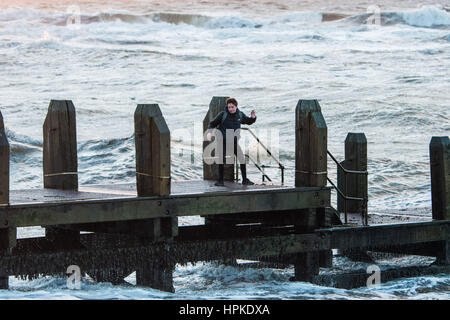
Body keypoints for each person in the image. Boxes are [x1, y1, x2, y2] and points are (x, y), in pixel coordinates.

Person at [206, 97, 256, 186]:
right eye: (229, 107)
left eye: (232, 107)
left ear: (236, 106)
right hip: (222, 141)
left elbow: (248, 121)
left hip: (233, 142)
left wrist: (253, 118)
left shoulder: (240, 115)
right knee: (221, 160)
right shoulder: (223, 114)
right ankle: (220, 181)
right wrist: (209, 132)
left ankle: (245, 180)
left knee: (242, 159)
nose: (231, 109)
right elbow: (212, 124)